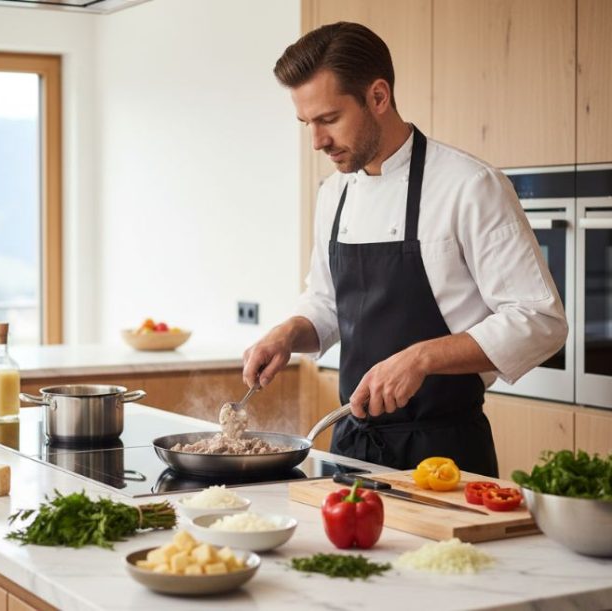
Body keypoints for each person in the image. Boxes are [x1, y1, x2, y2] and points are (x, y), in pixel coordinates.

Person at [242, 22, 568, 477]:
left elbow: (541, 320)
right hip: (352, 449)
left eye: (329, 119)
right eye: (306, 123)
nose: (316, 141)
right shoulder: (333, 193)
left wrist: (422, 358)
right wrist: (287, 334)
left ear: (378, 97)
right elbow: (327, 303)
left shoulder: (468, 186)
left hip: (445, 456)